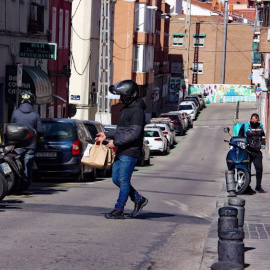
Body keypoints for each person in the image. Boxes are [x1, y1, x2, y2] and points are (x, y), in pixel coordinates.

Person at [96, 80, 148, 219]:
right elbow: (122, 130)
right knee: (116, 179)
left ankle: (118, 209)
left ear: (129, 95)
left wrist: (115, 142)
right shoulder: (126, 108)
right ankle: (138, 199)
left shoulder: (137, 111)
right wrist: (106, 135)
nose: (120, 98)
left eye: (122, 96)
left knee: (123, 180)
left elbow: (133, 133)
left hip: (130, 151)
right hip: (122, 149)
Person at [10, 91, 43, 191]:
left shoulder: (15, 112)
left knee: (15, 163)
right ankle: (26, 184)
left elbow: (11, 126)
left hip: (17, 144)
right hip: (30, 144)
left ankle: (16, 182)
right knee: (28, 165)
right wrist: (40, 138)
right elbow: (40, 130)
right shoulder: (35, 114)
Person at [238, 113, 267, 194]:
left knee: (259, 170)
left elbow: (263, 136)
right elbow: (239, 137)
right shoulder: (245, 126)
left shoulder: (260, 126)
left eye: (256, 121)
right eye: (253, 121)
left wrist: (263, 144)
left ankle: (258, 187)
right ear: (251, 120)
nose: (255, 123)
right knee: (248, 170)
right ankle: (247, 187)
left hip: (257, 152)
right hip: (247, 152)